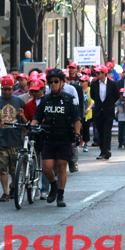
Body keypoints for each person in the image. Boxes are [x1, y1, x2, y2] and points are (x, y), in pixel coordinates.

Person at [30, 69, 82, 208]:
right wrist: (32, 125)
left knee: (61, 166)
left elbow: (77, 119)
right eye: (50, 82)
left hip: (64, 137)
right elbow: (37, 116)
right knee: (46, 167)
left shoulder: (69, 99)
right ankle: (53, 185)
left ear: (62, 83)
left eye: (56, 81)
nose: (53, 84)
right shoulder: (45, 99)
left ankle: (60, 194)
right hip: (48, 137)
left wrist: (77, 135)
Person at [0, 77, 27, 202]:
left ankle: (13, 186)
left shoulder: (19, 101)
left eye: (9, 89)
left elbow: (26, 122)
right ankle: (5, 192)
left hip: (16, 141)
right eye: (4, 90)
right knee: (2, 168)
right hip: (0, 141)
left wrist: (22, 116)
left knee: (14, 169)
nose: (7, 92)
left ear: (13, 89)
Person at [90, 66, 121, 160]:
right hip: (98, 111)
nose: (97, 75)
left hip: (108, 111)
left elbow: (116, 96)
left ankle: (106, 150)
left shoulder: (112, 83)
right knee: (100, 132)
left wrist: (109, 104)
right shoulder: (94, 83)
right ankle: (102, 151)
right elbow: (93, 95)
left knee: (107, 131)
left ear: (104, 73)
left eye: (99, 73)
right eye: (96, 73)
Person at [79, 76, 93, 152]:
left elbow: (92, 101)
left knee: (86, 128)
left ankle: (86, 143)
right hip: (80, 112)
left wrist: (88, 109)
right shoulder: (79, 90)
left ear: (87, 82)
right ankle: (80, 141)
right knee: (79, 128)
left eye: (83, 81)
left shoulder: (90, 90)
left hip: (87, 113)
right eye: (80, 81)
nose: (81, 83)